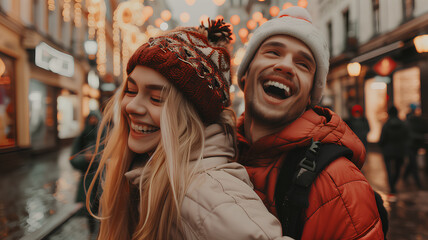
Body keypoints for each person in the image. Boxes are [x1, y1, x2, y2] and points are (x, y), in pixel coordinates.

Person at [87, 20, 289, 240]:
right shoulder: (148, 171)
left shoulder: (206, 196)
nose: (133, 107)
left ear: (193, 116)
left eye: (156, 98)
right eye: (131, 90)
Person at [235, 6, 384, 239]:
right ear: (245, 75)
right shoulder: (211, 154)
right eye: (273, 52)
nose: (285, 66)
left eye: (303, 64)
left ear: (309, 98)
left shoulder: (340, 187)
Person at [69, 110, 102, 235]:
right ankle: (92, 234)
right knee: (90, 212)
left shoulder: (105, 136)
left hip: (103, 181)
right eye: (90, 118)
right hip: (88, 182)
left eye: (95, 118)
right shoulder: (82, 137)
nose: (93, 121)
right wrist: (85, 158)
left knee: (104, 211)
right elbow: (72, 159)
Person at [379, 106, 408, 196]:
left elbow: (382, 138)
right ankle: (394, 184)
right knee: (398, 169)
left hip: (388, 150)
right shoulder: (403, 124)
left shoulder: (386, 125)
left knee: (389, 170)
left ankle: (391, 186)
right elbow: (406, 137)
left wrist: (382, 146)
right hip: (400, 150)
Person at [404, 103, 425, 188]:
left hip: (414, 144)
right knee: (414, 164)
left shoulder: (414, 119)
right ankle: (418, 183)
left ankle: (405, 175)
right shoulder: (410, 120)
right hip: (411, 144)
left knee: (412, 162)